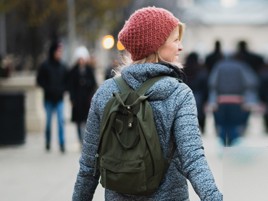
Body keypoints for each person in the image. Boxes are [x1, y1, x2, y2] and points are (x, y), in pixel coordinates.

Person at [72, 7, 223, 201]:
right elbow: (193, 159)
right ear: (156, 45)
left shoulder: (105, 92)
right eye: (176, 40)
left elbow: (88, 167)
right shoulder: (179, 93)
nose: (181, 47)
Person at [207, 56, 259, 146]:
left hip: (221, 101)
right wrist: (249, 100)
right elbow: (251, 83)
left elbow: (212, 84)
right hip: (238, 101)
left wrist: (212, 101)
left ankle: (224, 149)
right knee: (235, 127)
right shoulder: (241, 66)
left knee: (222, 127)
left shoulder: (219, 66)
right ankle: (233, 149)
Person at [37, 40, 68, 153]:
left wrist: (62, 89)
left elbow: (67, 81)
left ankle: (62, 143)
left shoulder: (63, 66)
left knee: (60, 121)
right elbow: (39, 80)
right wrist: (48, 88)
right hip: (48, 99)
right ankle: (48, 141)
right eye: (58, 51)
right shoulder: (45, 66)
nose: (60, 54)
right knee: (48, 122)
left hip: (59, 98)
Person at [68, 46, 97, 145]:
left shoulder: (89, 70)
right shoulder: (73, 71)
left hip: (86, 99)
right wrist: (71, 99)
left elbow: (93, 84)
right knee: (78, 122)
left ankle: (85, 140)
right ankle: (81, 140)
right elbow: (70, 86)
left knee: (86, 121)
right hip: (77, 100)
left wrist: (86, 83)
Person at [184, 52, 209, 134]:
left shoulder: (183, 70)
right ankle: (202, 128)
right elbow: (205, 86)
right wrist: (206, 99)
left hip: (185, 95)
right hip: (199, 96)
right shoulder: (201, 70)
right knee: (201, 114)